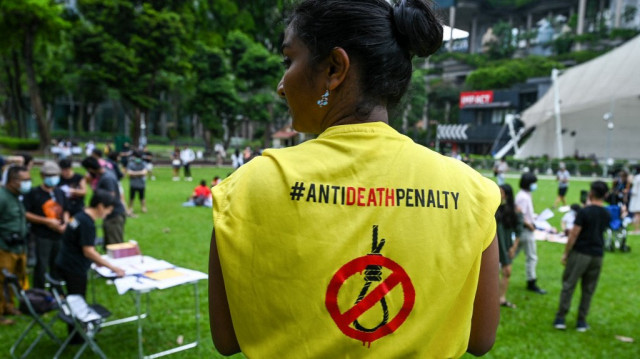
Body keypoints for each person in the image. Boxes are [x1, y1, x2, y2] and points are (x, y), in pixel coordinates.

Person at [209, 1, 500, 357]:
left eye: (289, 61)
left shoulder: (250, 185)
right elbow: (481, 339)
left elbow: (227, 340)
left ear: (335, 68)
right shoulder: (471, 191)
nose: (281, 86)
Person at [553, 181, 610, 332]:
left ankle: (561, 318)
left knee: (569, 285)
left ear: (591, 193)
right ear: (605, 195)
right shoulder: (606, 213)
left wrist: (566, 253)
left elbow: (574, 234)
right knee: (588, 289)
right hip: (597, 255)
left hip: (580, 253)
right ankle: (581, 321)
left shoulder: (584, 212)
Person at [55, 189, 125, 297]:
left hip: (64, 261)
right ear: (101, 206)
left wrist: (96, 259)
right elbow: (88, 251)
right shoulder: (87, 224)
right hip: (74, 267)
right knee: (77, 300)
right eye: (109, 209)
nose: (109, 213)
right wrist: (113, 268)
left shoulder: (79, 215)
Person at [24, 161, 69, 289]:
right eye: (49, 175)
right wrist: (46, 221)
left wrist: (65, 222)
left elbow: (66, 209)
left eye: (55, 175)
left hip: (59, 235)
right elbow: (25, 213)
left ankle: (56, 289)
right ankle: (40, 292)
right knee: (41, 265)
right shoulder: (33, 193)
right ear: (42, 175)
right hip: (42, 235)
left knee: (57, 263)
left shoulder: (60, 192)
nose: (53, 178)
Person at [0, 166, 30, 325]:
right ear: (13, 181)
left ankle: (9, 306)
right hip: (4, 248)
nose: (28, 183)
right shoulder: (2, 197)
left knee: (13, 279)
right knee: (1, 280)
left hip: (18, 247)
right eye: (25, 180)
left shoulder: (17, 196)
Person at [81, 157, 126, 248]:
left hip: (114, 215)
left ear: (90, 169)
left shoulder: (107, 178)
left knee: (115, 246)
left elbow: (110, 197)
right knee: (109, 245)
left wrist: (95, 208)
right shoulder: (106, 173)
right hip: (112, 214)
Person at [514, 172, 547, 294]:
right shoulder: (523, 196)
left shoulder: (526, 195)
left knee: (511, 254)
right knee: (532, 257)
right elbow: (520, 214)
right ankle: (531, 281)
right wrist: (530, 225)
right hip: (526, 231)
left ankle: (495, 270)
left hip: (526, 229)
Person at [496, 184, 522, 309]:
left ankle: (501, 298)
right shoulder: (494, 208)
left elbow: (519, 230)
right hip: (495, 245)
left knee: (507, 272)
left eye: (501, 192)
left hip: (506, 245)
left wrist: (514, 247)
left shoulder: (514, 211)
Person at [126, 151, 148, 215]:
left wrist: (134, 173)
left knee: (142, 196)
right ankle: (130, 208)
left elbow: (145, 172)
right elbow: (129, 173)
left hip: (141, 183)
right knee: (131, 197)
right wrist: (140, 173)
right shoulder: (130, 164)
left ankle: (143, 207)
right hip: (133, 183)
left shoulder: (143, 163)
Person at [629, 166, 640, 235]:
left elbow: (634, 191)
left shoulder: (637, 178)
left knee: (637, 215)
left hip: (637, 199)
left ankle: (637, 230)